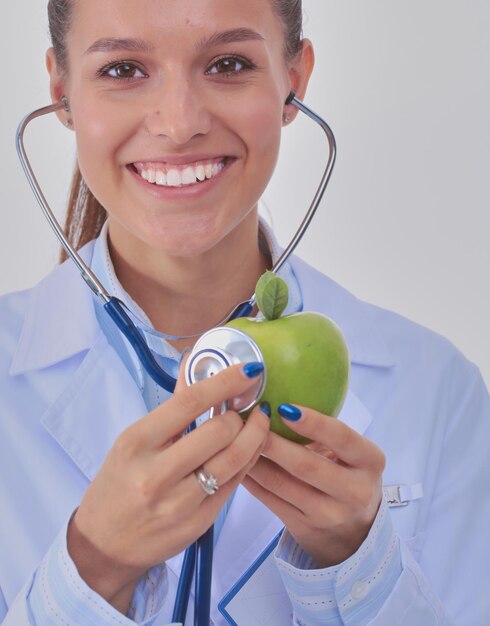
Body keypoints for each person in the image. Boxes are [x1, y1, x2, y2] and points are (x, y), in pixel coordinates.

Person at [1, 0, 489, 624]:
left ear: (295, 80)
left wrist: (362, 568)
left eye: (228, 63)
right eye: (123, 70)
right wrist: (94, 565)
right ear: (62, 91)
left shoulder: (437, 390)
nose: (178, 124)